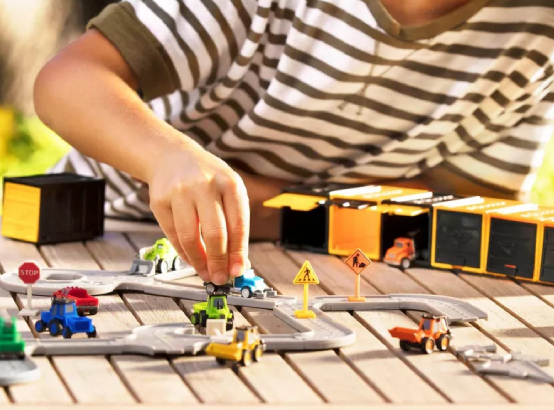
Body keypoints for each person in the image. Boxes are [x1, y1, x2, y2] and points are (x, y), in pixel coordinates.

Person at [33, 0, 554, 287]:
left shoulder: (538, 32)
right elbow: (68, 81)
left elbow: (454, 214)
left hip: (323, 256)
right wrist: (166, 155)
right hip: (107, 230)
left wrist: (266, 205)